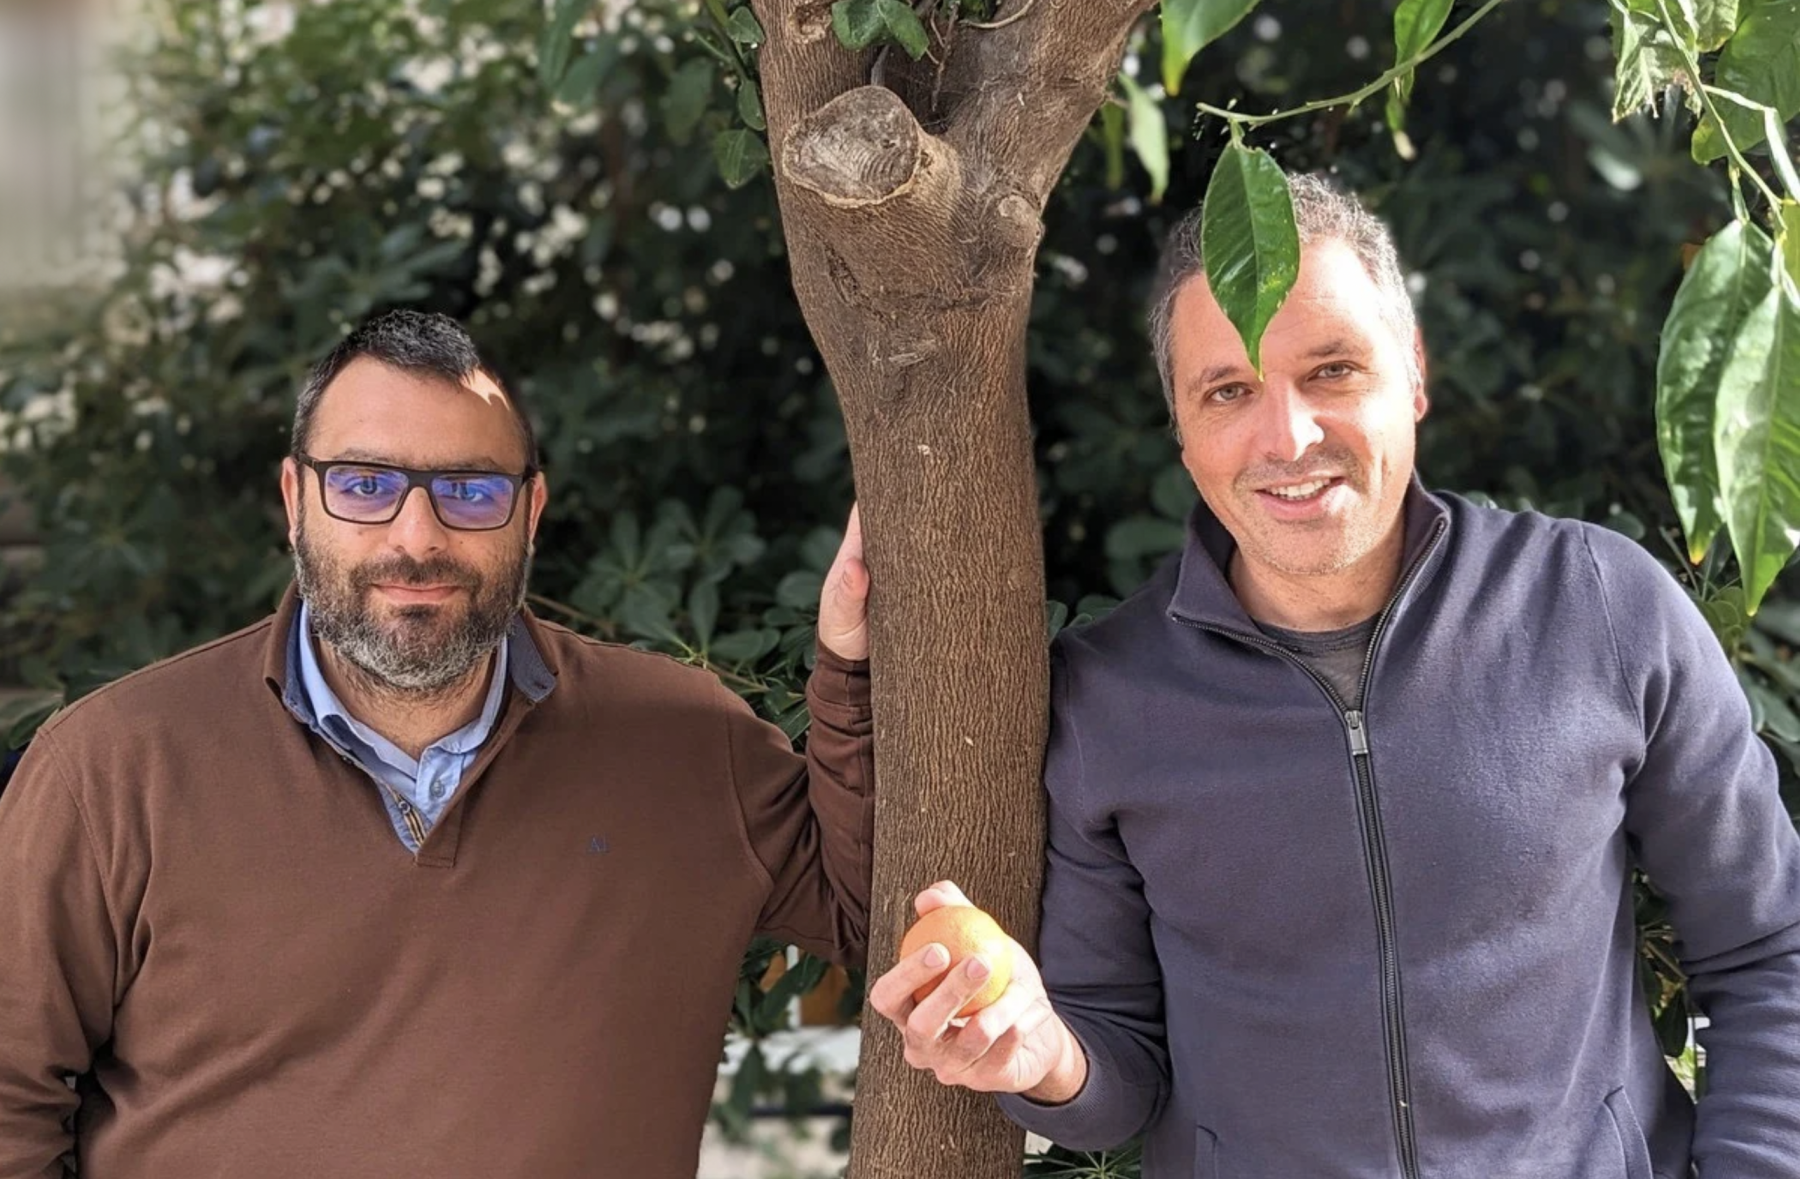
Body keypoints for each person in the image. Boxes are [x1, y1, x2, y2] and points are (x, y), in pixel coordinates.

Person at [869, 175, 1800, 1178]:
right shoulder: (1112, 702)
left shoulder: (1598, 607)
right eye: (1228, 390)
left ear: (1413, 376)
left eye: (1333, 370)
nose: (1287, 438)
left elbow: (1769, 948)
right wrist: (1043, 1057)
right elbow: (1119, 1079)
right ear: (1182, 429)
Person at [0, 310, 877, 1179]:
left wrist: (851, 666)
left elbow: (877, 905)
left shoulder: (683, 744)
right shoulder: (112, 768)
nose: (417, 537)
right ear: (294, 499)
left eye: (469, 489)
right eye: (364, 483)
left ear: (529, 512)